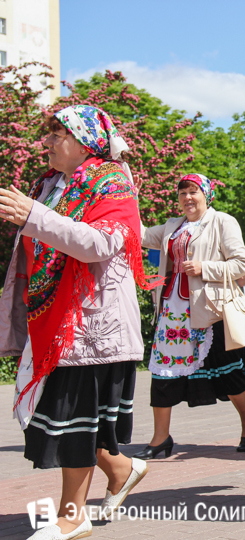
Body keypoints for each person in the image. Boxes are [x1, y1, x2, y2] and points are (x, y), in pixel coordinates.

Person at [0, 105, 160, 540]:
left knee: (72, 420)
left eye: (58, 134)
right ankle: (121, 469)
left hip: (91, 323)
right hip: (54, 320)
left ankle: (73, 517)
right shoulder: (51, 185)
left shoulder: (113, 182)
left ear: (86, 142)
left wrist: (34, 215)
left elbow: (100, 244)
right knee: (58, 417)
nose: (47, 142)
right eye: (49, 133)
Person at [133, 174, 245, 459]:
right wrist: (131, 200)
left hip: (210, 312)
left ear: (207, 195)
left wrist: (205, 267)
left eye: (193, 192)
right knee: (163, 372)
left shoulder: (222, 222)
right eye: (182, 193)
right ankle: (160, 438)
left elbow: (242, 265)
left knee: (229, 373)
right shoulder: (172, 226)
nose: (187, 197)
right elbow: (139, 235)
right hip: (173, 313)